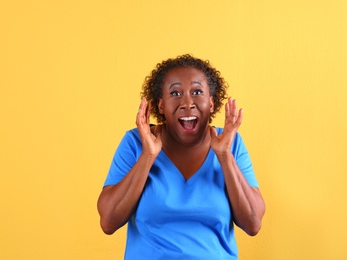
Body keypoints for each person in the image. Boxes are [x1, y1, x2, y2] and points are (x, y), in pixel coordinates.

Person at [97, 54, 265, 259]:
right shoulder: (136, 142)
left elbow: (253, 223)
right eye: (175, 93)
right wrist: (148, 156)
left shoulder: (231, 144)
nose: (187, 103)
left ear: (211, 103)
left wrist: (224, 156)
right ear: (160, 106)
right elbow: (108, 221)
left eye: (197, 92)